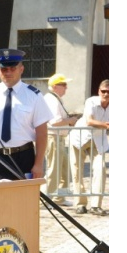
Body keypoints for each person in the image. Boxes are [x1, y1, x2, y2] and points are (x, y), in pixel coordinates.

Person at [0, 48, 52, 183]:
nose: (8, 73)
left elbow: (41, 132)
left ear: (21, 69)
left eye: (12, 68)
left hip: (23, 158)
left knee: (23, 201)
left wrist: (38, 164)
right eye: (4, 69)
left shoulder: (34, 96)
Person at [71, 79, 110, 215]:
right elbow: (89, 121)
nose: (105, 94)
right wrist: (106, 125)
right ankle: (80, 204)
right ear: (99, 91)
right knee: (77, 171)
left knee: (101, 169)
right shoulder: (91, 101)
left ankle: (95, 206)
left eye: (109, 92)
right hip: (79, 138)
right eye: (103, 91)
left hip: (98, 141)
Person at [42, 73, 78, 204]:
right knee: (53, 170)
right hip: (53, 137)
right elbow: (55, 121)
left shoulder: (55, 98)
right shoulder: (51, 100)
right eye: (64, 85)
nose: (66, 88)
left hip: (59, 138)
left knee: (63, 169)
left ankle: (59, 198)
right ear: (55, 86)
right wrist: (70, 120)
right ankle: (47, 199)